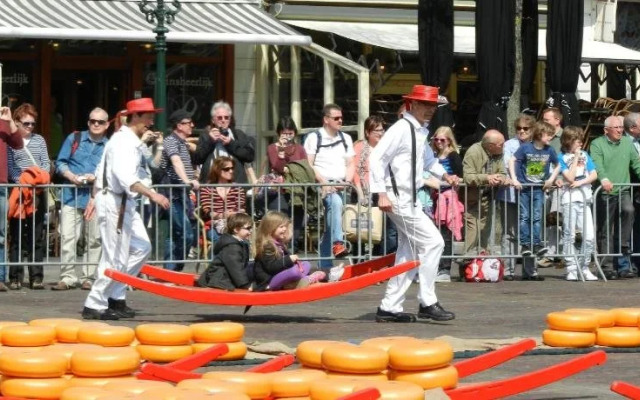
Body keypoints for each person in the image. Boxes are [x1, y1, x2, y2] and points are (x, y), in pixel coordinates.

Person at [369, 85, 458, 323]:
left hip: (409, 198)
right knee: (434, 243)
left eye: (433, 106)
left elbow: (427, 159)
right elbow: (376, 158)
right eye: (426, 105)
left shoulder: (419, 130)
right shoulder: (401, 129)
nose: (431, 110)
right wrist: (381, 193)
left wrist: (445, 175)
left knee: (408, 253)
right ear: (413, 105)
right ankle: (427, 301)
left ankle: (389, 306)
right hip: (399, 199)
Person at [82, 98, 170, 320]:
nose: (152, 120)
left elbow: (145, 167)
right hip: (115, 200)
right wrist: (153, 194)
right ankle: (95, 302)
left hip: (123, 201)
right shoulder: (122, 142)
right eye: (148, 115)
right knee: (114, 257)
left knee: (141, 247)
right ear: (136, 117)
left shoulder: (131, 140)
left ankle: (115, 294)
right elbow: (126, 178)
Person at [53, 108, 109, 291]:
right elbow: (60, 163)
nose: (96, 124)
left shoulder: (109, 146)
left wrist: (95, 178)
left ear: (107, 124)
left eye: (100, 122)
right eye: (92, 120)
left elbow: (110, 173)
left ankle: (89, 277)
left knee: (94, 239)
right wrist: (72, 177)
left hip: (95, 197)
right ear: (88, 122)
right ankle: (67, 277)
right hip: (71, 195)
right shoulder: (74, 138)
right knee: (69, 237)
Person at [304, 103, 355, 268]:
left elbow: (351, 163)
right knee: (335, 203)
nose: (340, 120)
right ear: (326, 119)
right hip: (321, 184)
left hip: (340, 183)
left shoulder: (346, 138)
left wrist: (346, 182)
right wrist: (324, 181)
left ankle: (325, 265)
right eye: (336, 118)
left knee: (331, 223)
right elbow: (309, 164)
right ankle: (338, 243)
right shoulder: (314, 137)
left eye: (341, 117)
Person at [590, 115, 640, 280]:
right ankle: (607, 265)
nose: (620, 130)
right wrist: (603, 178)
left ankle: (623, 263)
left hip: (623, 190)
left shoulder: (627, 143)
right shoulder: (597, 144)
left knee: (628, 211)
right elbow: (597, 164)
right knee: (605, 229)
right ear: (606, 130)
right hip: (605, 192)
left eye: (620, 127)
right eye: (616, 127)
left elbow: (636, 163)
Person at [510, 121, 561, 281]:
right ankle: (526, 243)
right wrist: (515, 179)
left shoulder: (549, 150)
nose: (551, 139)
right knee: (525, 216)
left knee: (537, 216)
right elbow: (512, 160)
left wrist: (551, 179)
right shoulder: (526, 148)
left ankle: (536, 243)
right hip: (525, 188)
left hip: (539, 188)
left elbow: (559, 164)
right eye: (549, 135)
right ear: (540, 134)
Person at [7, 103, 50, 290]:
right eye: (26, 123)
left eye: (33, 124)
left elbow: (45, 163)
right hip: (18, 191)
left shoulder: (39, 140)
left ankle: (37, 277)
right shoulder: (11, 141)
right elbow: (10, 166)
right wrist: (23, 181)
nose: (30, 127)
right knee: (16, 235)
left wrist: (36, 181)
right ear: (16, 122)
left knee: (36, 235)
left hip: (37, 192)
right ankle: (15, 276)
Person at [557, 126, 598, 281]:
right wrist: (575, 158)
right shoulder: (561, 157)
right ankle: (571, 267)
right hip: (569, 199)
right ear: (569, 141)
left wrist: (582, 183)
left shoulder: (585, 155)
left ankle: (584, 266)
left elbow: (594, 174)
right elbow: (570, 177)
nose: (580, 143)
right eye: (576, 140)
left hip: (584, 197)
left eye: (581, 139)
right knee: (569, 234)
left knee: (589, 236)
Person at [160, 109, 199, 272]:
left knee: (175, 234)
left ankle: (170, 270)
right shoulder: (170, 141)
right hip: (172, 194)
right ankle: (175, 269)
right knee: (186, 233)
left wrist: (193, 177)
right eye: (188, 123)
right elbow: (176, 162)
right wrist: (187, 181)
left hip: (182, 194)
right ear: (179, 125)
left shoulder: (183, 143)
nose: (192, 125)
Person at [353, 115, 397, 255]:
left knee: (387, 230)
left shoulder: (387, 148)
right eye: (376, 130)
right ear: (367, 132)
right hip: (364, 193)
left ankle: (382, 261)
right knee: (361, 230)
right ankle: (359, 263)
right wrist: (360, 192)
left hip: (384, 191)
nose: (380, 133)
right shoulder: (359, 147)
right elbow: (355, 170)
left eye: (382, 130)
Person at [498, 114, 534, 280]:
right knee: (510, 232)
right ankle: (508, 270)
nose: (521, 131)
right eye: (518, 128)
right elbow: (507, 164)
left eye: (525, 129)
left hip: (531, 193)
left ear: (532, 130)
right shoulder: (509, 144)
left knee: (532, 232)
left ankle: (530, 270)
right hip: (511, 194)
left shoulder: (536, 144)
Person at [462, 129, 509, 256]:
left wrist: (501, 178)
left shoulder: (498, 152)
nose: (504, 147)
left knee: (485, 231)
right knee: (474, 230)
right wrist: (487, 178)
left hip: (488, 198)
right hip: (472, 198)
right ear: (490, 146)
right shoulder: (473, 152)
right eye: (501, 144)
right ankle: (466, 260)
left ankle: (481, 260)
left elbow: (502, 172)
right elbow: (468, 177)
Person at [253, 211, 328, 291]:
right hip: (268, 281)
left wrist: (295, 262)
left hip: (277, 276)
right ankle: (306, 279)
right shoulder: (267, 246)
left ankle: (296, 282)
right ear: (270, 229)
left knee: (306, 264)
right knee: (294, 272)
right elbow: (271, 267)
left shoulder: (279, 243)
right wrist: (289, 259)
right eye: (281, 227)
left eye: (285, 226)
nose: (284, 229)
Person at [264, 116, 307, 241]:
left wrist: (292, 170)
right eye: (284, 133)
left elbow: (304, 167)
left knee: (295, 229)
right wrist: (281, 153)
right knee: (278, 226)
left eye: (290, 133)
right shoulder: (272, 148)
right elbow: (278, 167)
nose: (288, 136)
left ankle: (292, 254)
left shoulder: (299, 149)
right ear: (279, 133)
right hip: (279, 192)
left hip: (297, 192)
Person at [193, 101, 255, 184]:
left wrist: (231, 143)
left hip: (235, 185)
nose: (223, 120)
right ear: (213, 120)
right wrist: (210, 142)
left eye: (226, 118)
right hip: (211, 185)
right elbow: (197, 159)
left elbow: (250, 156)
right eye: (219, 118)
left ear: (230, 120)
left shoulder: (238, 134)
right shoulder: (206, 135)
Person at [430, 126, 463, 282]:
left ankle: (445, 269)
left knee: (446, 234)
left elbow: (460, 176)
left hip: (447, 198)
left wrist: (449, 181)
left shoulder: (453, 155)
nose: (438, 142)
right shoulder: (433, 155)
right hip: (433, 197)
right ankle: (434, 267)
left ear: (449, 140)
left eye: (442, 139)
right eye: (436, 139)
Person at [196, 213, 253, 290]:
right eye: (248, 228)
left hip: (226, 278)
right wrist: (245, 285)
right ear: (236, 229)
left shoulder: (240, 243)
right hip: (220, 281)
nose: (250, 231)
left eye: (251, 228)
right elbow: (235, 268)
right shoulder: (232, 247)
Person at [0, 107, 23, 292]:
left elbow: (18, 143)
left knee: (0, 235)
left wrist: (10, 121)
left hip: (0, 186)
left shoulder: (3, 122)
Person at [200, 157, 246, 246]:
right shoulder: (207, 188)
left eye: (232, 168)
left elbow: (242, 208)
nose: (231, 171)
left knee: (241, 240)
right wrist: (223, 215)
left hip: (235, 223)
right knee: (220, 240)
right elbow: (207, 211)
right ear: (217, 170)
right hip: (213, 225)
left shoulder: (237, 188)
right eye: (227, 169)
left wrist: (233, 214)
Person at [540, 107, 564, 268]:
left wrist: (559, 179)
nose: (544, 122)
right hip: (544, 184)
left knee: (556, 219)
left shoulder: (565, 138)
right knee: (545, 219)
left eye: (547, 120)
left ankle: (556, 253)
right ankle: (548, 251)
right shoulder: (541, 137)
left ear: (557, 120)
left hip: (561, 185)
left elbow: (565, 162)